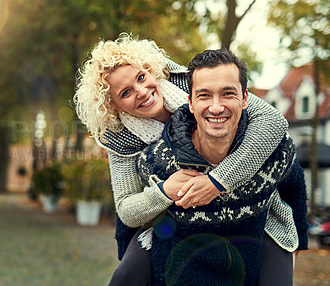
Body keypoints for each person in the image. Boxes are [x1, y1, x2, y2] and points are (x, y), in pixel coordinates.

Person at [74, 34, 298, 285]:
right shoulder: (120, 139)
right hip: (174, 216)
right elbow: (127, 209)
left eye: (141, 77)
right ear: (115, 106)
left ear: (150, 70)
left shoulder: (197, 86)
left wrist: (217, 181)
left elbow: (274, 122)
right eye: (126, 92)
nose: (142, 91)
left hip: (248, 206)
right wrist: (164, 191)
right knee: (125, 277)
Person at [136, 48, 308, 285]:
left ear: (245, 98)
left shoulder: (275, 150)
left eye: (228, 94)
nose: (216, 107)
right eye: (204, 95)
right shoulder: (159, 160)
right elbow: (133, 219)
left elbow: (295, 190)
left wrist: (298, 247)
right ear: (191, 102)